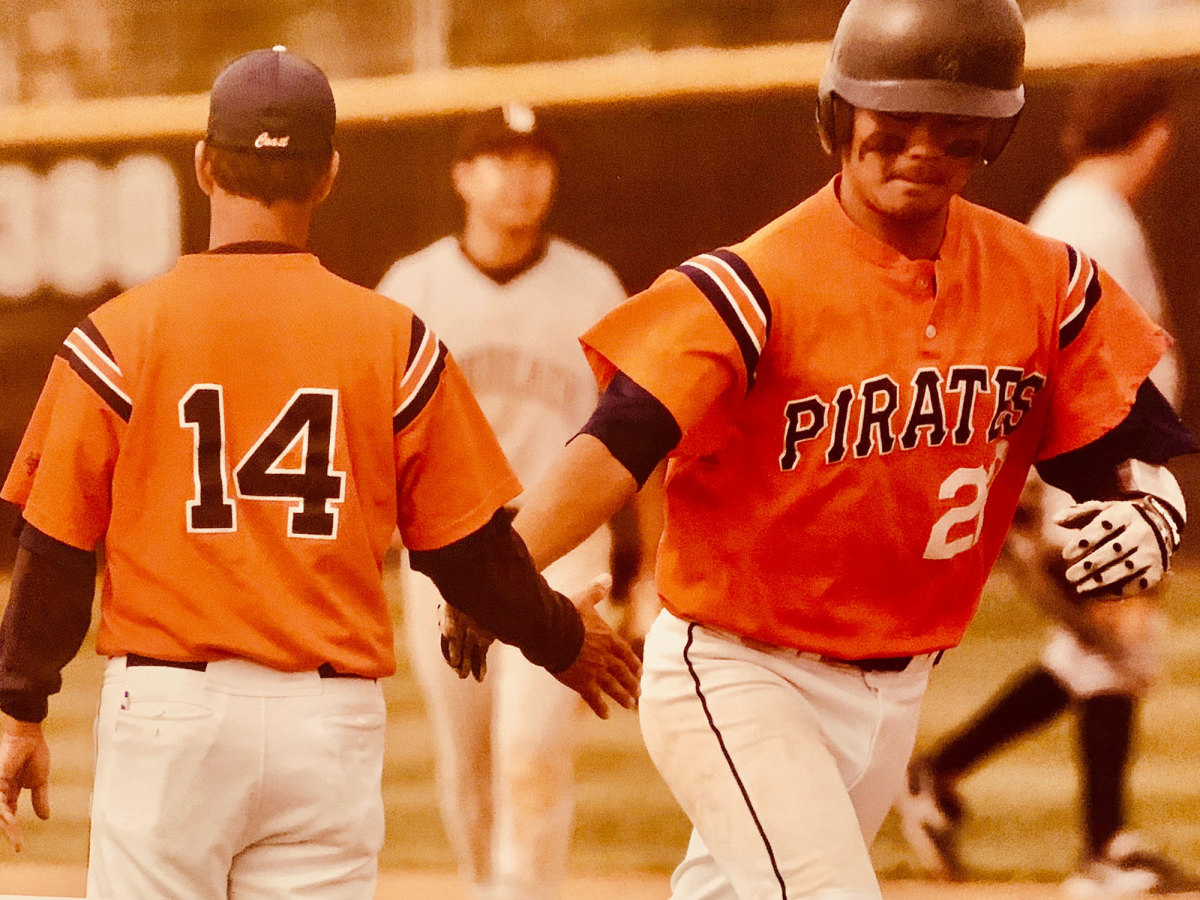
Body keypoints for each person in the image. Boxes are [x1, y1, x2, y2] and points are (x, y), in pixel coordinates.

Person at [495, 0, 1198, 896]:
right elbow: (618, 445)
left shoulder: (1038, 279)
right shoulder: (756, 282)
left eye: (954, 131)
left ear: (992, 136)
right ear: (839, 116)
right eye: (894, 124)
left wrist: (1154, 506)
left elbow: (1126, 437)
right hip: (739, 670)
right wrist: (496, 569)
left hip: (896, 689)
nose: (921, 150)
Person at [0, 47, 639, 900]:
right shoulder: (394, 339)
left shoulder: (117, 337)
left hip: (168, 715)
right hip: (324, 724)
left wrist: (19, 708)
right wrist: (561, 636)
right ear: (330, 174)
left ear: (202, 165)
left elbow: (54, 546)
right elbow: (467, 553)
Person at [899, 69, 1200, 897]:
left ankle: (940, 776)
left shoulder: (1087, 213)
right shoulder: (1090, 220)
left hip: (1087, 479)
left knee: (1100, 653)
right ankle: (1103, 851)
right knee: (1121, 651)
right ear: (1157, 133)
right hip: (1081, 482)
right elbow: (1041, 358)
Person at [375, 103, 660, 900]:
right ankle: (485, 889)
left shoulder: (591, 285)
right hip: (444, 551)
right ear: (463, 177)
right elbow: (374, 432)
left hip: (562, 542)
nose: (520, 178)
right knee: (465, 762)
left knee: (533, 749)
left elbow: (645, 432)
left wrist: (650, 572)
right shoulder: (414, 286)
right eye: (500, 159)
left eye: (535, 160)